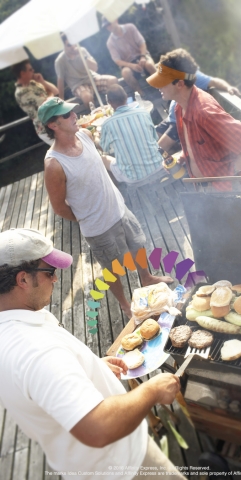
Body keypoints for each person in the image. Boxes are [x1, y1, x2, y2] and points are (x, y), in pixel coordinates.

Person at [0, 227, 182, 480]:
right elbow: (98, 428)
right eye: (49, 272)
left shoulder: (12, 324)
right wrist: (151, 391)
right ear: (22, 280)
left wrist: (89, 367)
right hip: (122, 467)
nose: (55, 279)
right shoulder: (36, 350)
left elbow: (42, 385)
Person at [39, 97, 173, 318]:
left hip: (119, 208)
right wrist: (86, 216)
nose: (74, 115)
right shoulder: (54, 164)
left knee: (138, 244)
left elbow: (98, 162)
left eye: (72, 111)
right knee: (112, 269)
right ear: (53, 125)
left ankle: (147, 277)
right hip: (97, 227)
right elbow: (59, 208)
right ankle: (125, 304)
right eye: (66, 115)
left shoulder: (86, 135)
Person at [147, 49, 241, 191]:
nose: (158, 86)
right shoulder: (179, 106)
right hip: (203, 185)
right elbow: (198, 144)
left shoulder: (204, 112)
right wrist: (182, 156)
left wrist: (229, 175)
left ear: (180, 84)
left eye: (163, 82)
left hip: (222, 190)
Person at [156, 70, 241, 154]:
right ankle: (177, 151)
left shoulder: (191, 75)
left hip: (179, 122)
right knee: (153, 138)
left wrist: (228, 87)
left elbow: (214, 81)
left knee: (158, 150)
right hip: (172, 117)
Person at [100, 84, 164, 183]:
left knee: (103, 158)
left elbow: (106, 149)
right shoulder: (144, 113)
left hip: (133, 177)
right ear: (126, 97)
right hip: (158, 166)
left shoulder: (107, 124)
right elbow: (154, 138)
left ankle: (120, 194)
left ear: (109, 102)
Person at [55, 34, 117, 108]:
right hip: (78, 85)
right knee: (87, 98)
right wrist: (61, 100)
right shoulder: (60, 61)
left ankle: (115, 108)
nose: (72, 47)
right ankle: (96, 116)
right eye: (69, 45)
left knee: (113, 81)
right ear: (63, 46)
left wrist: (82, 56)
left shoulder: (82, 50)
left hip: (92, 78)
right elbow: (60, 80)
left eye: (73, 43)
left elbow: (95, 68)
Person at [103, 18, 156, 96]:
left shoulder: (130, 27)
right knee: (125, 73)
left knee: (149, 65)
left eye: (109, 24)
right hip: (128, 63)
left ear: (115, 20)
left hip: (142, 55)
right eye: (106, 26)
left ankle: (161, 87)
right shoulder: (110, 42)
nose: (108, 27)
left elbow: (142, 43)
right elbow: (117, 60)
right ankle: (141, 95)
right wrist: (132, 65)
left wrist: (143, 57)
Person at [13, 60, 59, 145]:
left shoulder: (33, 83)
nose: (33, 71)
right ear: (22, 73)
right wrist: (50, 95)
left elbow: (55, 91)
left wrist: (42, 81)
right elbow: (47, 103)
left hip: (55, 121)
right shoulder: (21, 93)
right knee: (65, 152)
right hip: (46, 129)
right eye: (30, 70)